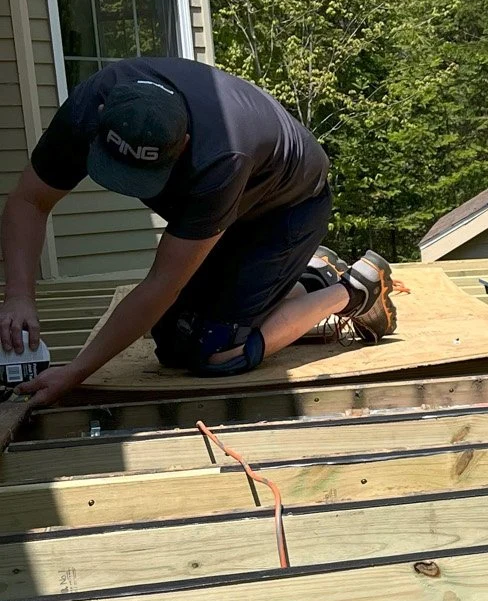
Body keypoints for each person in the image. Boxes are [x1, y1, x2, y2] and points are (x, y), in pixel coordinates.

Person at [0, 57, 395, 408]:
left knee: (215, 350)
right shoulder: (91, 106)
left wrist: (76, 372)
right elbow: (29, 202)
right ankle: (309, 274)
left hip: (288, 209)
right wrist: (19, 297)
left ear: (183, 143)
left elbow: (161, 285)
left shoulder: (219, 157)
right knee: (172, 342)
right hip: (240, 198)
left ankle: (355, 291)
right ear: (102, 117)